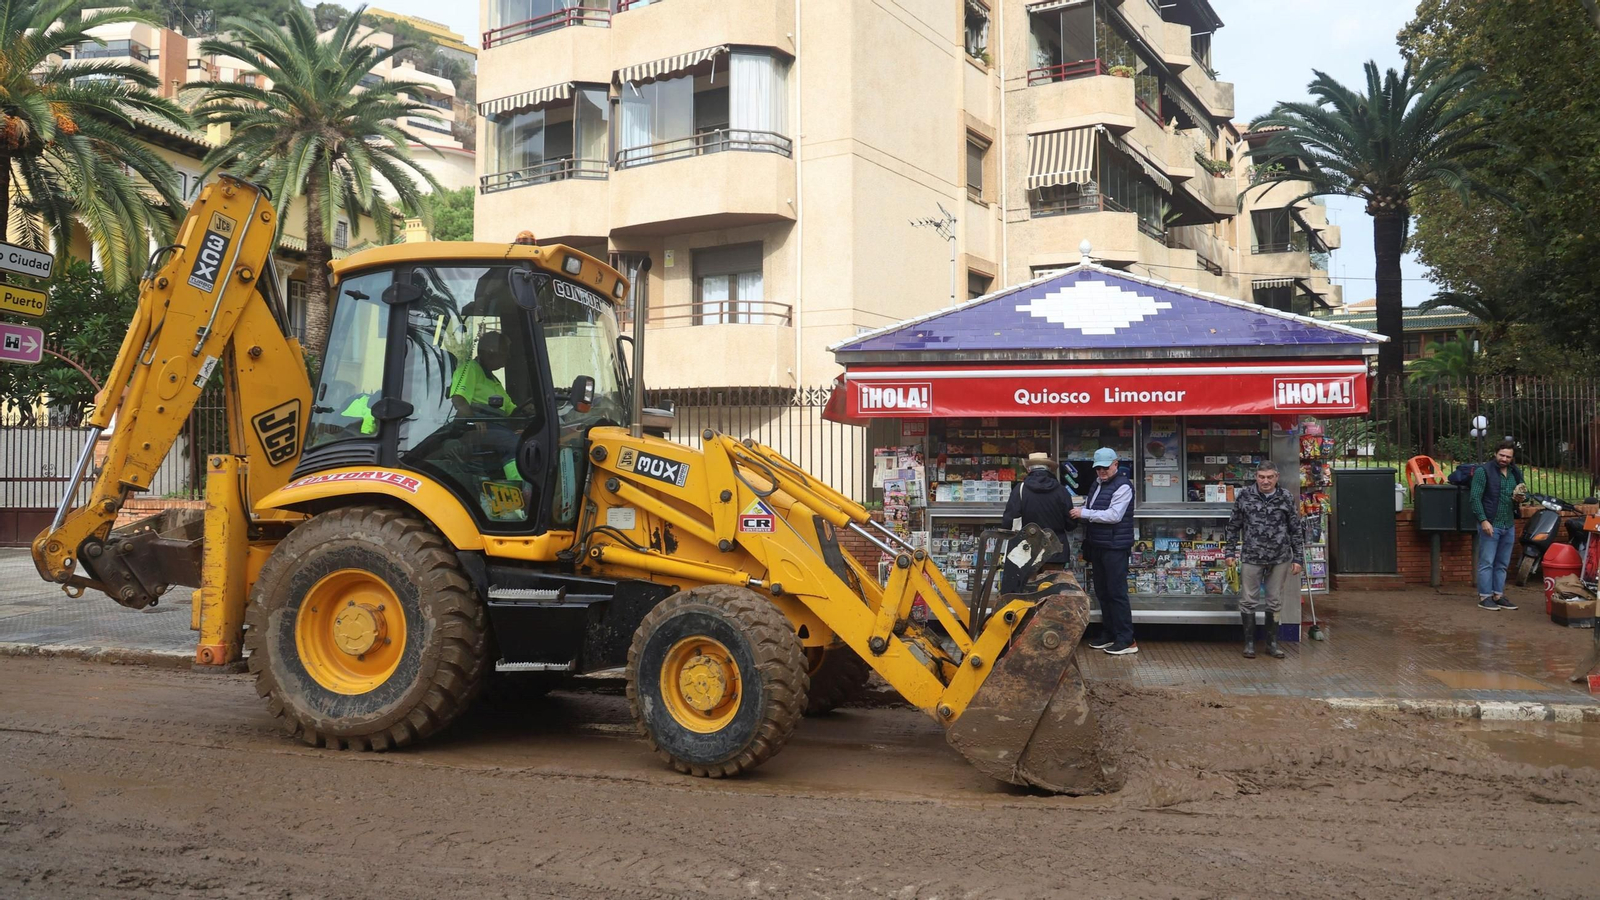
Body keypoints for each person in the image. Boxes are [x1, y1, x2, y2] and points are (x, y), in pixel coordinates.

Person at [1224, 461, 1303, 660]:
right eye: (1261, 477)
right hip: (1252, 555)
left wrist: (1299, 558)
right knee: (1248, 600)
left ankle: (1272, 643)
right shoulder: (1245, 495)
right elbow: (1233, 525)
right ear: (1256, 477)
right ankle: (1249, 644)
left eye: (1269, 477)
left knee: (1274, 601)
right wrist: (1229, 552)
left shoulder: (1285, 497)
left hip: (1280, 557)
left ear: (1276, 477)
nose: (1265, 481)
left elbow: (1295, 528)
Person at [1071, 447, 1137, 656]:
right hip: (1099, 545)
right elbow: (1095, 506)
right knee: (1103, 592)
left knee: (1117, 593)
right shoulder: (1097, 484)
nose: (1101, 471)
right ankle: (1109, 633)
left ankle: (1126, 639)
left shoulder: (1124, 486)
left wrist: (1084, 512)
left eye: (1105, 467)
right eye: (1098, 468)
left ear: (1116, 464)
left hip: (1115, 547)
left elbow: (1114, 515)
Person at [1000, 452, 1077, 594]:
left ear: (1029, 469)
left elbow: (1008, 522)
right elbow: (1071, 524)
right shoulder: (1061, 491)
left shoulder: (1020, 489)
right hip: (1055, 549)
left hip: (1027, 551)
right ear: (1048, 468)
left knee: (1027, 593)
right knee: (1051, 593)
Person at [1471, 440, 1526, 612]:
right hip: (1491, 523)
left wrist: (1521, 497)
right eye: (1501, 455)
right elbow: (1475, 498)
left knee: (1502, 562)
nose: (1504, 458)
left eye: (1508, 456)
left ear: (1512, 458)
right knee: (1487, 561)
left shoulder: (1515, 472)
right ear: (1495, 453)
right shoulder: (1483, 471)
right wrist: (1483, 520)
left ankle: (1498, 595)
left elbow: (1524, 491)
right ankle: (1485, 596)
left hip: (1508, 523)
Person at [450, 331, 516, 415]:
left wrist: (527, 410)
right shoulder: (470, 369)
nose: (508, 356)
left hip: (499, 426)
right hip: (483, 426)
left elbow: (510, 410)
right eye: (504, 352)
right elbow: (459, 400)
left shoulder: (494, 381)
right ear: (489, 352)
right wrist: (473, 421)